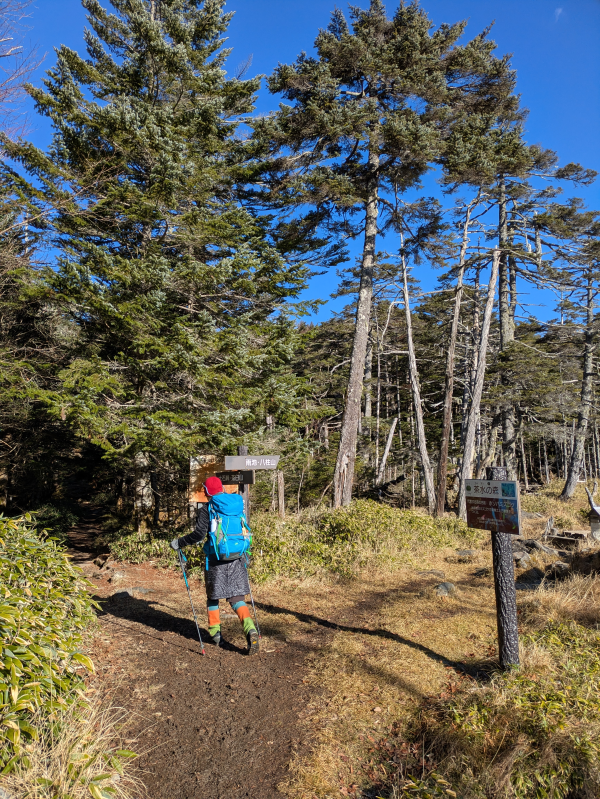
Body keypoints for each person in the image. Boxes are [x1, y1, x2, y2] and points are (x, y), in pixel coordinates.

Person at [170, 476, 259, 655]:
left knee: (213, 596)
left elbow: (199, 535)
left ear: (208, 491)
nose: (203, 491)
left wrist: (179, 542)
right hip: (237, 557)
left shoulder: (207, 509)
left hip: (216, 558)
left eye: (204, 489)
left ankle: (215, 634)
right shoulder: (235, 504)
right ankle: (250, 630)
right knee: (236, 598)